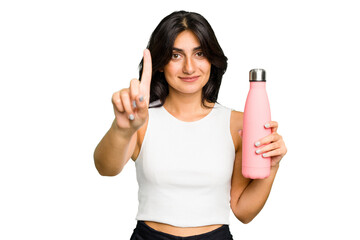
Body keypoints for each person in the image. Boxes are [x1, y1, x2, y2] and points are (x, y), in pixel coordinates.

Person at [94, 10, 287, 240]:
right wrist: (122, 129)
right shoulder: (142, 119)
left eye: (199, 53)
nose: (189, 67)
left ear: (212, 59)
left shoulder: (237, 123)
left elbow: (243, 211)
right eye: (176, 55)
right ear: (161, 63)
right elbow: (106, 168)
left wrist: (272, 167)